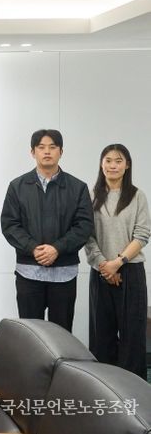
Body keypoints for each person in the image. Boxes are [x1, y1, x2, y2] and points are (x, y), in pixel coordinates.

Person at [0, 129, 93, 332]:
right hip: (29, 272)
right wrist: (33, 248)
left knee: (61, 334)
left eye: (52, 147)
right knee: (30, 334)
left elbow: (84, 226)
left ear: (61, 151)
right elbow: (10, 224)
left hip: (64, 273)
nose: (47, 152)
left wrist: (57, 249)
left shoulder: (78, 187)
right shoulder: (17, 186)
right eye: (41, 147)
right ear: (33, 152)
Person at [85, 144, 149, 379]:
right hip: (101, 272)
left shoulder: (137, 196)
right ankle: (104, 390)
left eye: (118, 161)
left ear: (127, 165)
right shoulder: (90, 196)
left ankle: (134, 393)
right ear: (101, 164)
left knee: (133, 337)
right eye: (108, 160)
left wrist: (118, 262)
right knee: (101, 337)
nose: (113, 165)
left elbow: (142, 234)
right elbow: (87, 235)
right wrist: (105, 265)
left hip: (131, 272)